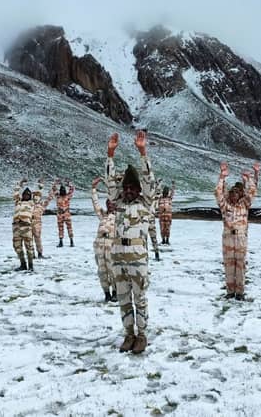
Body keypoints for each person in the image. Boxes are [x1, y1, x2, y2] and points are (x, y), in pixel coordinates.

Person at [106, 131, 155, 354]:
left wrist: (143, 152)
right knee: (123, 298)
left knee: (140, 299)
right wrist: (110, 155)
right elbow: (110, 183)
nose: (127, 190)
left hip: (137, 259)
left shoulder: (145, 203)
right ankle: (129, 334)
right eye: (125, 187)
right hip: (118, 258)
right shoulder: (118, 204)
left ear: (138, 190)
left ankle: (142, 335)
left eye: (131, 188)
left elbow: (148, 180)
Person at [215, 161, 260, 300]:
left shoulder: (244, 205)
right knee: (228, 265)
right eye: (232, 193)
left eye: (236, 193)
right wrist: (222, 177)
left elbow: (252, 192)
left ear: (240, 194)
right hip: (228, 238)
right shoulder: (225, 206)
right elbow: (218, 193)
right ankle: (230, 291)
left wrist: (249, 179)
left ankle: (240, 292)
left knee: (240, 265)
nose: (234, 195)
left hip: (240, 238)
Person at [91, 177, 117, 302]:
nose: (110, 205)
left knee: (113, 270)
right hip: (100, 244)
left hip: (112, 245)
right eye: (108, 203)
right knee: (102, 270)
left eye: (112, 203)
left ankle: (115, 292)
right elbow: (95, 204)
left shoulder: (119, 216)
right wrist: (93, 189)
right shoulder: (103, 215)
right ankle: (106, 293)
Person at [12, 179, 35, 271]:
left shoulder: (32, 203)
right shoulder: (18, 202)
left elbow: (39, 194)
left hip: (26, 227)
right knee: (17, 246)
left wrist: (40, 185)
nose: (26, 196)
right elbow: (15, 193)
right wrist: (20, 184)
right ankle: (23, 264)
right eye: (25, 194)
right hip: (16, 227)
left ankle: (31, 265)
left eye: (28, 195)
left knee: (29, 246)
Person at [31, 179, 53, 259]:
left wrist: (50, 190)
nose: (36, 198)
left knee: (38, 238)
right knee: (29, 239)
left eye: (38, 197)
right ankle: (32, 254)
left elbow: (49, 199)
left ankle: (40, 253)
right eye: (34, 197)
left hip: (37, 224)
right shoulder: (29, 204)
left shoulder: (42, 205)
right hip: (29, 223)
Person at [52, 179, 75, 247]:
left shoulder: (61, 196)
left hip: (64, 215)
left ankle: (70, 241)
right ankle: (64, 241)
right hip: (63, 215)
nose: (62, 191)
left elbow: (72, 189)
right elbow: (54, 188)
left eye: (63, 190)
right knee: (63, 228)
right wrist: (57, 182)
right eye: (62, 190)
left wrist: (68, 183)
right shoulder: (62, 196)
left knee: (67, 228)